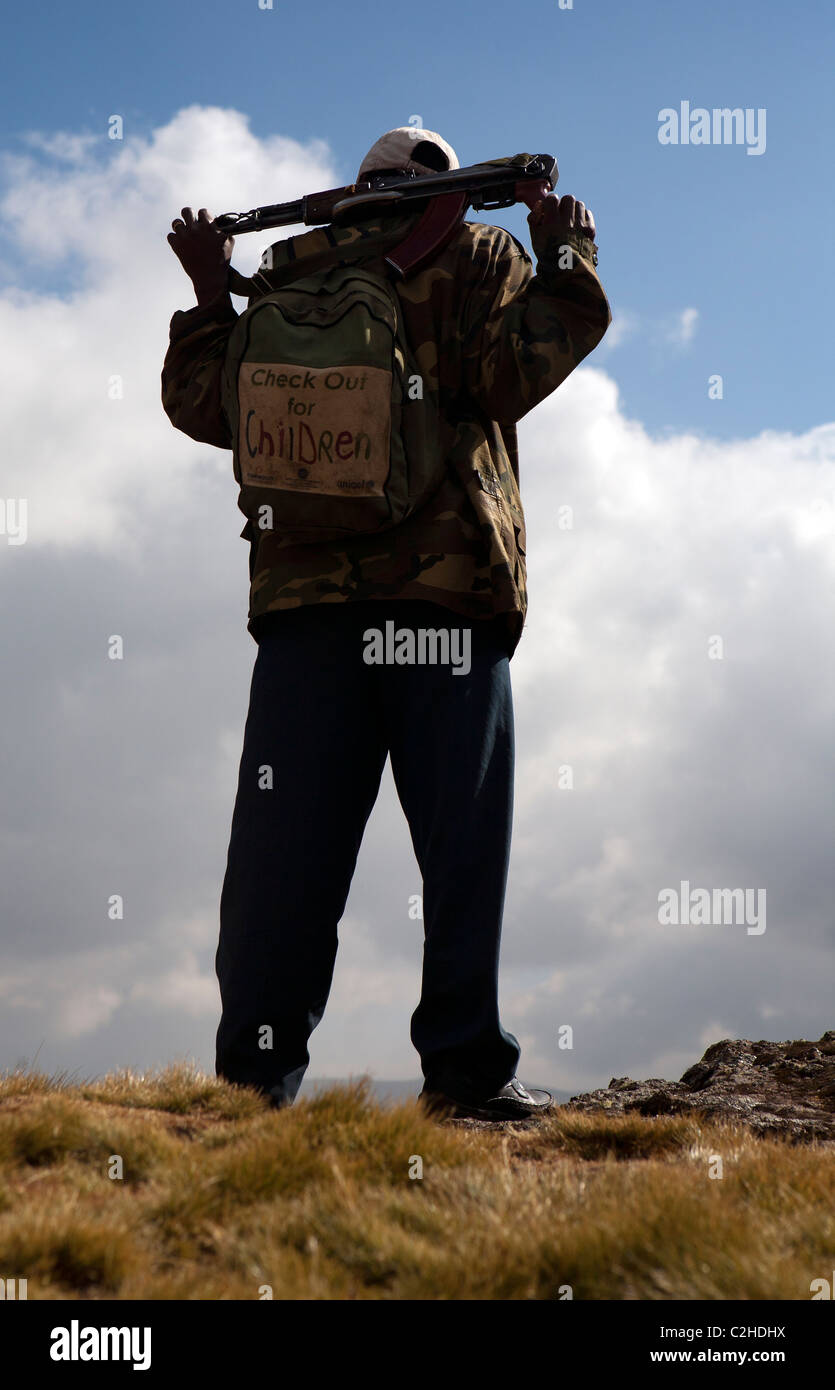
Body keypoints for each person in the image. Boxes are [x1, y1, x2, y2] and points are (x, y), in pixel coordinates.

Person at [162, 127, 611, 1121]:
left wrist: (208, 294)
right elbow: (511, 374)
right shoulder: (476, 253)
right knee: (458, 852)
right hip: (444, 600)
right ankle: (460, 1076)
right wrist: (567, 254)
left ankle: (250, 1088)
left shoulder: (289, 273)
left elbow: (207, 406)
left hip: (307, 611)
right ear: (447, 187)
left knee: (285, 857)